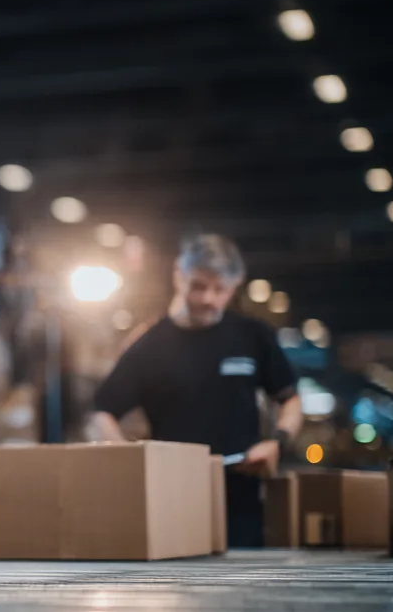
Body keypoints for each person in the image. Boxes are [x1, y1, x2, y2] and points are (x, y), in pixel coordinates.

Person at [89, 233, 301, 547]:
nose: (208, 299)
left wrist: (278, 443)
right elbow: (101, 413)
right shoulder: (149, 345)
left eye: (220, 289)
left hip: (240, 498)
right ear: (179, 275)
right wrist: (131, 463)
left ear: (236, 283)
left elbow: (291, 400)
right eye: (199, 286)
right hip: (172, 502)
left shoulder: (253, 336)